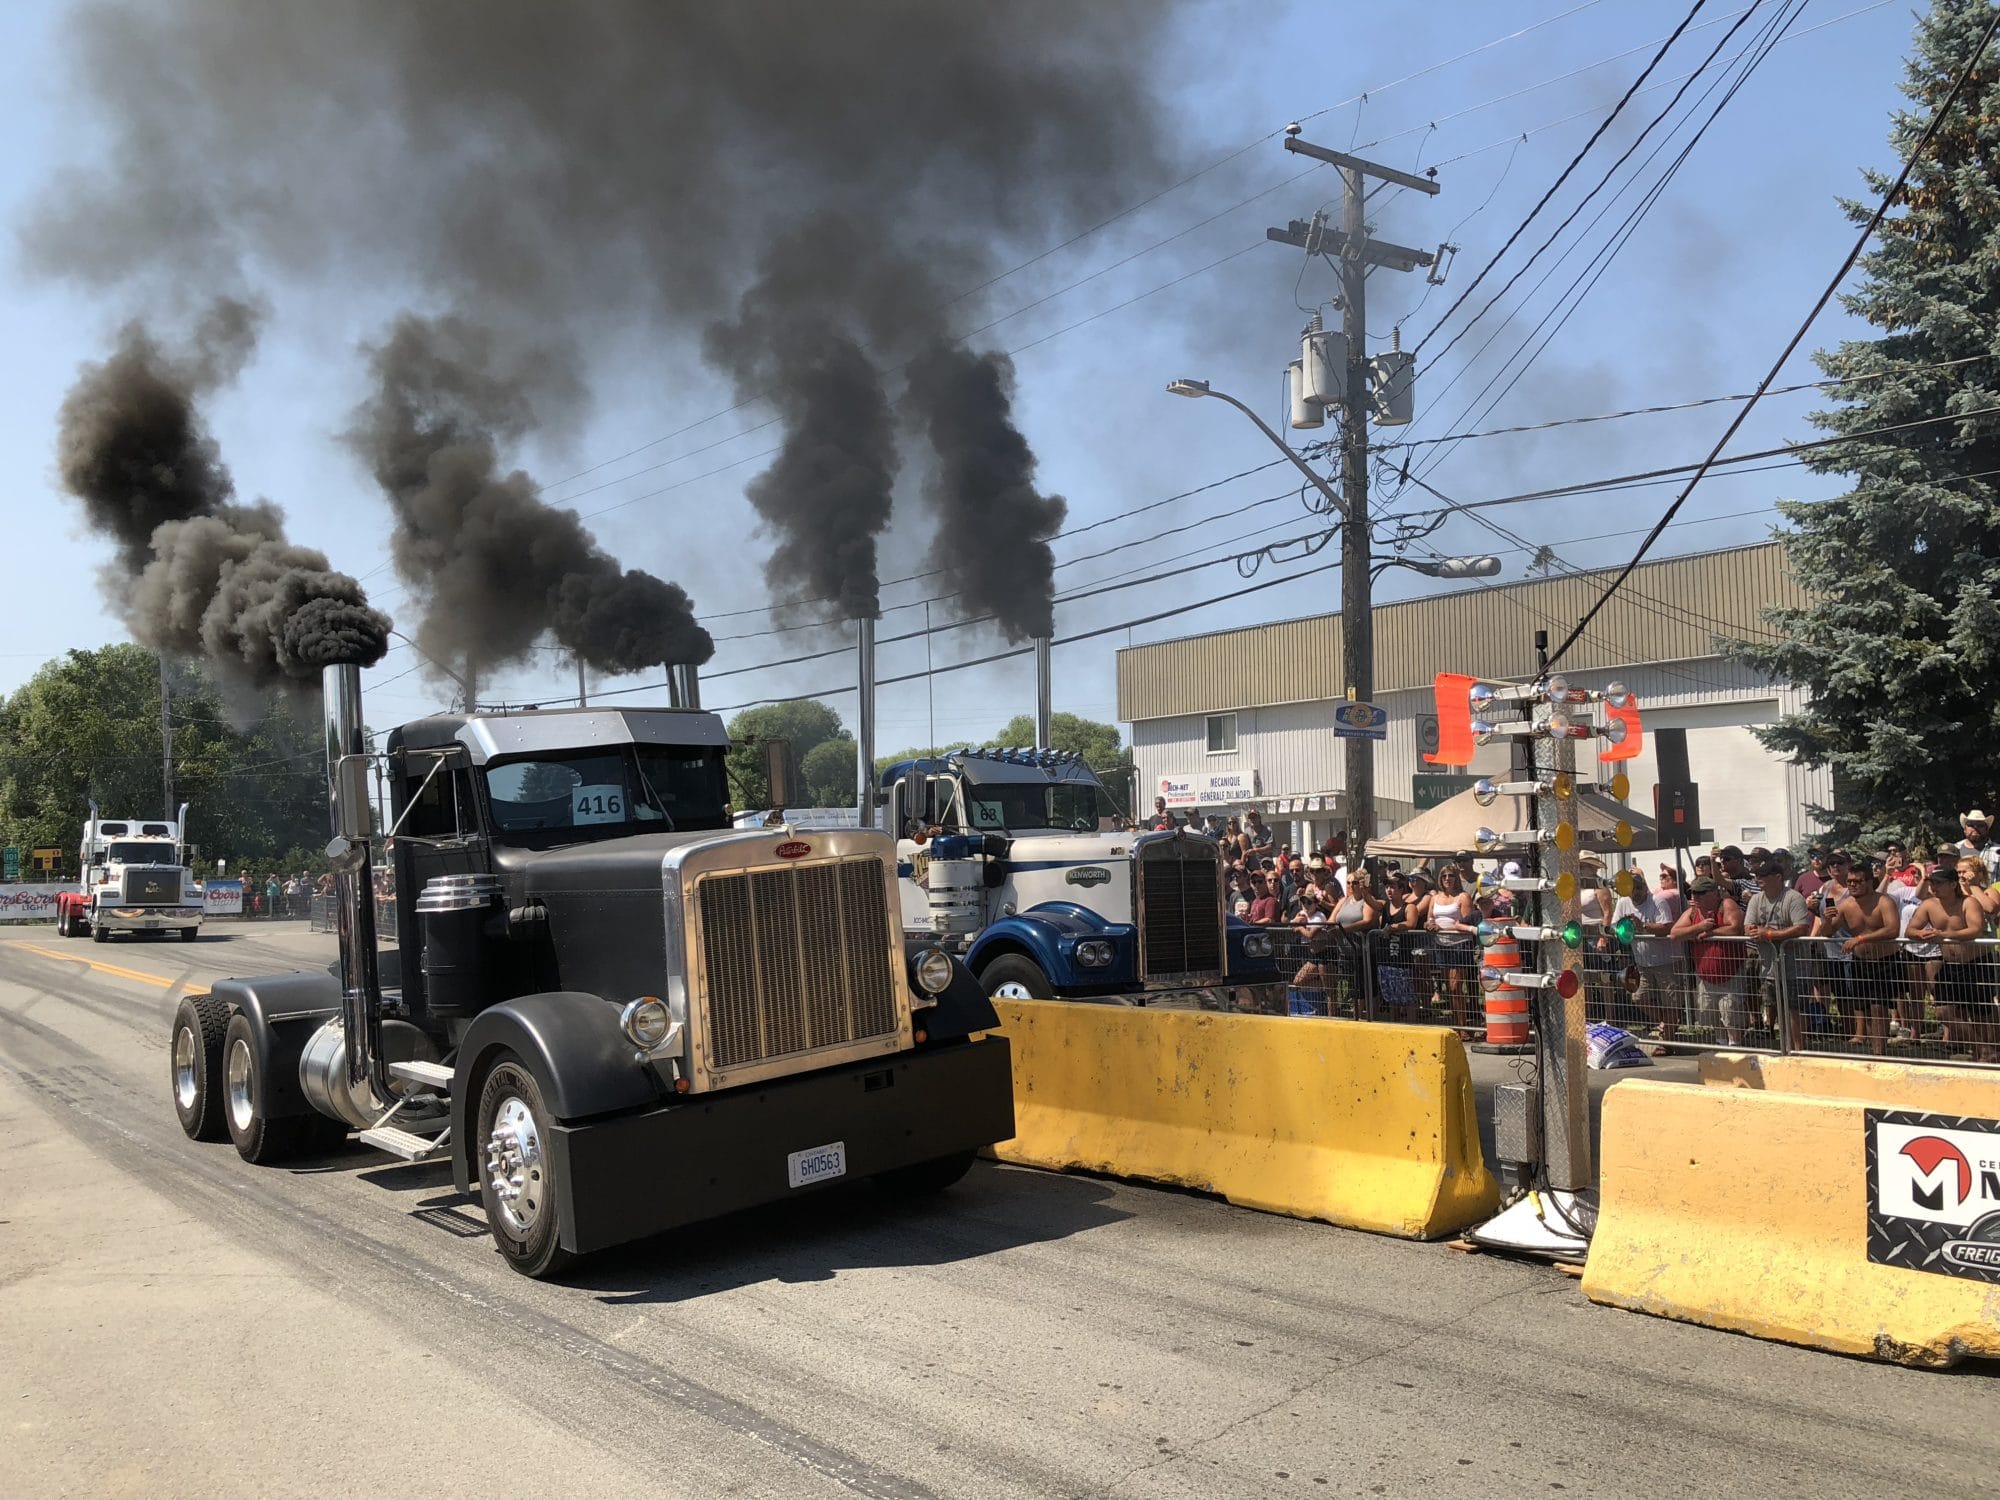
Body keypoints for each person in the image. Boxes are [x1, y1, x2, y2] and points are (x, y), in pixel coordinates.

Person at [1908, 861, 1993, 1062]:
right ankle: (1982, 1047)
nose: (1933, 887)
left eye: (1938, 883)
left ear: (1953, 884)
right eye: (1932, 883)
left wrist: (1944, 935)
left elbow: (1975, 929)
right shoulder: (1929, 904)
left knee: (1981, 1012)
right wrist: (1921, 934)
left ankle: (1988, 1052)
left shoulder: (1968, 902)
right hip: (1949, 965)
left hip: (1976, 963)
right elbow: (1910, 930)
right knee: (1942, 1011)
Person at [1819, 857, 1902, 1058]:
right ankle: (1875, 1049)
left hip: (1884, 961)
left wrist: (1861, 938)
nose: (1852, 885)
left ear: (1869, 882)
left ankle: (1880, 1052)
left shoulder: (1884, 901)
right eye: (1850, 882)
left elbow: (1892, 929)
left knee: (1878, 1007)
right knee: (1864, 1005)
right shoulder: (1847, 905)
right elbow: (1827, 932)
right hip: (1860, 963)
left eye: (1857, 881)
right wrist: (1827, 920)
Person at [1615, 868, 1685, 1049]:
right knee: (1639, 998)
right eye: (1632, 889)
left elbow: (1667, 927)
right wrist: (1622, 930)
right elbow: (1615, 926)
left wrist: (1643, 926)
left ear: (1645, 888)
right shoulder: (1623, 902)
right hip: (1642, 962)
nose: (1636, 893)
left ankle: (1665, 1042)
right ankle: (1667, 1022)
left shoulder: (1658, 901)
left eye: (1639, 888)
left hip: (1666, 961)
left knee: (1670, 1002)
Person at [1673, 876, 1747, 1045]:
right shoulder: (1693, 912)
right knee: (1710, 1012)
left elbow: (1736, 929)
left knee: (1730, 1011)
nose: (1695, 897)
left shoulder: (1726, 904)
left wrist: (1711, 933)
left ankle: (1735, 1045)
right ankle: (1721, 1043)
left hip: (1731, 973)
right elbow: (1675, 933)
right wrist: (1699, 927)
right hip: (1705, 977)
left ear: (1713, 893)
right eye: (1693, 893)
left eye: (1700, 893)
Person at [1743, 860, 1811, 1040]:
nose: (1758, 879)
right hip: (1769, 967)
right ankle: (1783, 1047)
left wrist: (1769, 934)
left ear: (1778, 877)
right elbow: (1748, 927)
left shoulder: (1793, 897)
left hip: (1795, 967)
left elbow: (1801, 928)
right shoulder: (1756, 899)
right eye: (1757, 875)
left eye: (1763, 875)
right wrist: (1754, 931)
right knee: (1774, 1006)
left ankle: (1798, 1049)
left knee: (1795, 1009)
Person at [1424, 863, 1477, 1031]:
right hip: (1441, 945)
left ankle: (1463, 1027)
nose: (1447, 879)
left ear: (1456, 878)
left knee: (1456, 987)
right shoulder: (1434, 898)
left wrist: (1442, 928)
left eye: (1451, 875)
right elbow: (1429, 918)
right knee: (1448, 987)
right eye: (1444, 876)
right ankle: (1456, 1024)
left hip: (1459, 945)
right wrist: (1429, 925)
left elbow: (1467, 922)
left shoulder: (1463, 897)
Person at [1956, 809, 2000, 882]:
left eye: (1980, 825)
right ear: (1964, 830)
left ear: (1987, 829)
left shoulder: (1997, 851)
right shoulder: (1955, 849)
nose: (1975, 828)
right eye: (1970, 825)